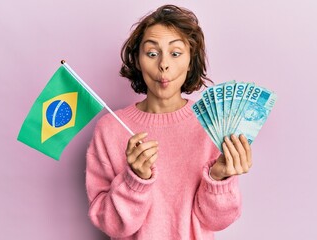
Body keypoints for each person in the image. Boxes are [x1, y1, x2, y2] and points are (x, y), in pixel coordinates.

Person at [86, 4, 252, 240]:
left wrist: (219, 178)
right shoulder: (109, 128)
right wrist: (135, 180)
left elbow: (217, 221)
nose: (163, 64)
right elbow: (110, 225)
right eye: (152, 53)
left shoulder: (212, 122)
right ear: (137, 60)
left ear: (190, 60)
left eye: (175, 53)